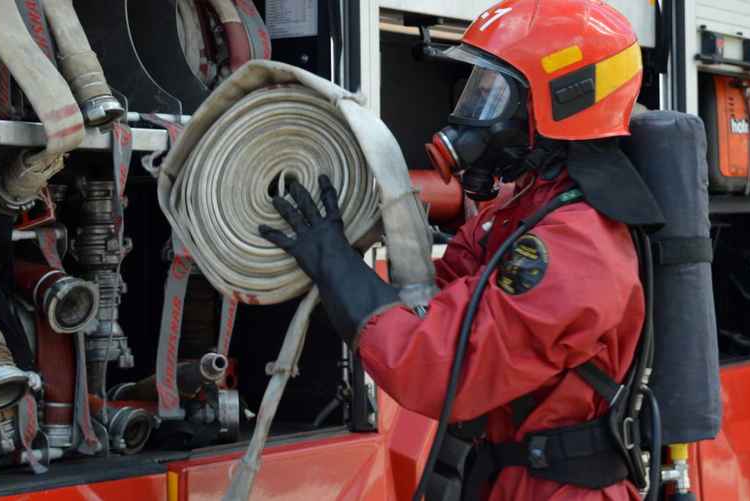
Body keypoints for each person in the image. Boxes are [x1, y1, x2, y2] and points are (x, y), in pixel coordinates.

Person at [260, 0, 664, 498]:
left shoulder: (576, 248)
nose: (473, 113)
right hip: (512, 478)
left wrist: (333, 261)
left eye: (493, 95)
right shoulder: (524, 211)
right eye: (477, 89)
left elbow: (436, 366)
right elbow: (429, 302)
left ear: (561, 101)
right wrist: (357, 242)